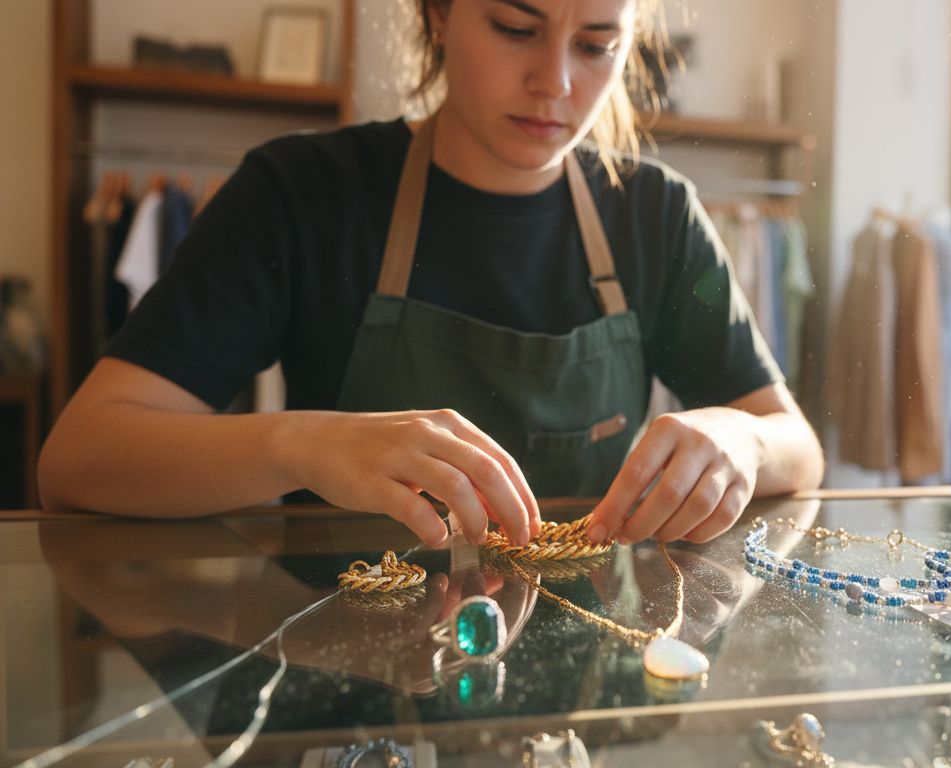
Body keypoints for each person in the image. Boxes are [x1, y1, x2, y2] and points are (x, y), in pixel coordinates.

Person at [37, 0, 824, 549]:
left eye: (596, 45)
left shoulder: (659, 215)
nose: (555, 82)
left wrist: (742, 440)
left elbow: (797, 443)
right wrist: (300, 446)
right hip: (345, 690)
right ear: (438, 11)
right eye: (517, 27)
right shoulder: (300, 195)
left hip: (577, 687)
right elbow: (78, 459)